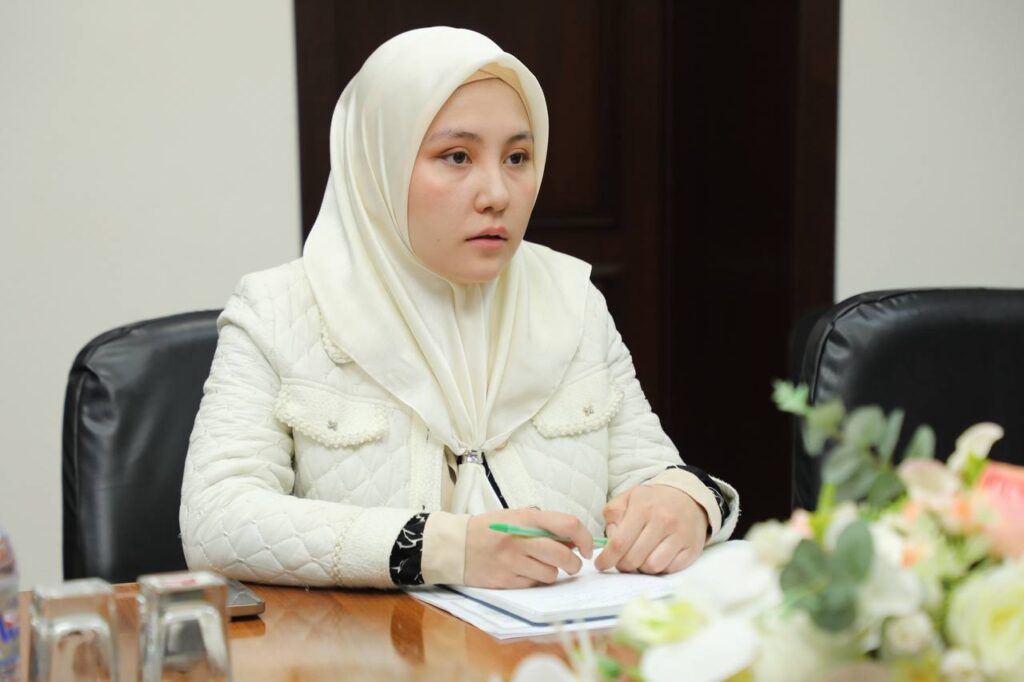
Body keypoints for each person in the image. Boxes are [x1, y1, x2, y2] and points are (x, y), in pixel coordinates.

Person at [179, 26, 738, 590]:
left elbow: (650, 473)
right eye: (456, 156)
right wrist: (446, 549)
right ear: (379, 162)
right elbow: (217, 518)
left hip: (559, 640)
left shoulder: (571, 298)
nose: (497, 193)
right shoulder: (278, 310)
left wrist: (688, 501)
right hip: (373, 643)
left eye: (517, 157)